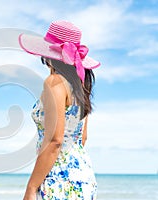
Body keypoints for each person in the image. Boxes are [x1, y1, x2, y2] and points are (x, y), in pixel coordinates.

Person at [18, 21, 100, 200]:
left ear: (49, 54)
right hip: (83, 176)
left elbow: (55, 140)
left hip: (58, 178)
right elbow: (82, 138)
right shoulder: (80, 86)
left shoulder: (54, 82)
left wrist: (31, 187)